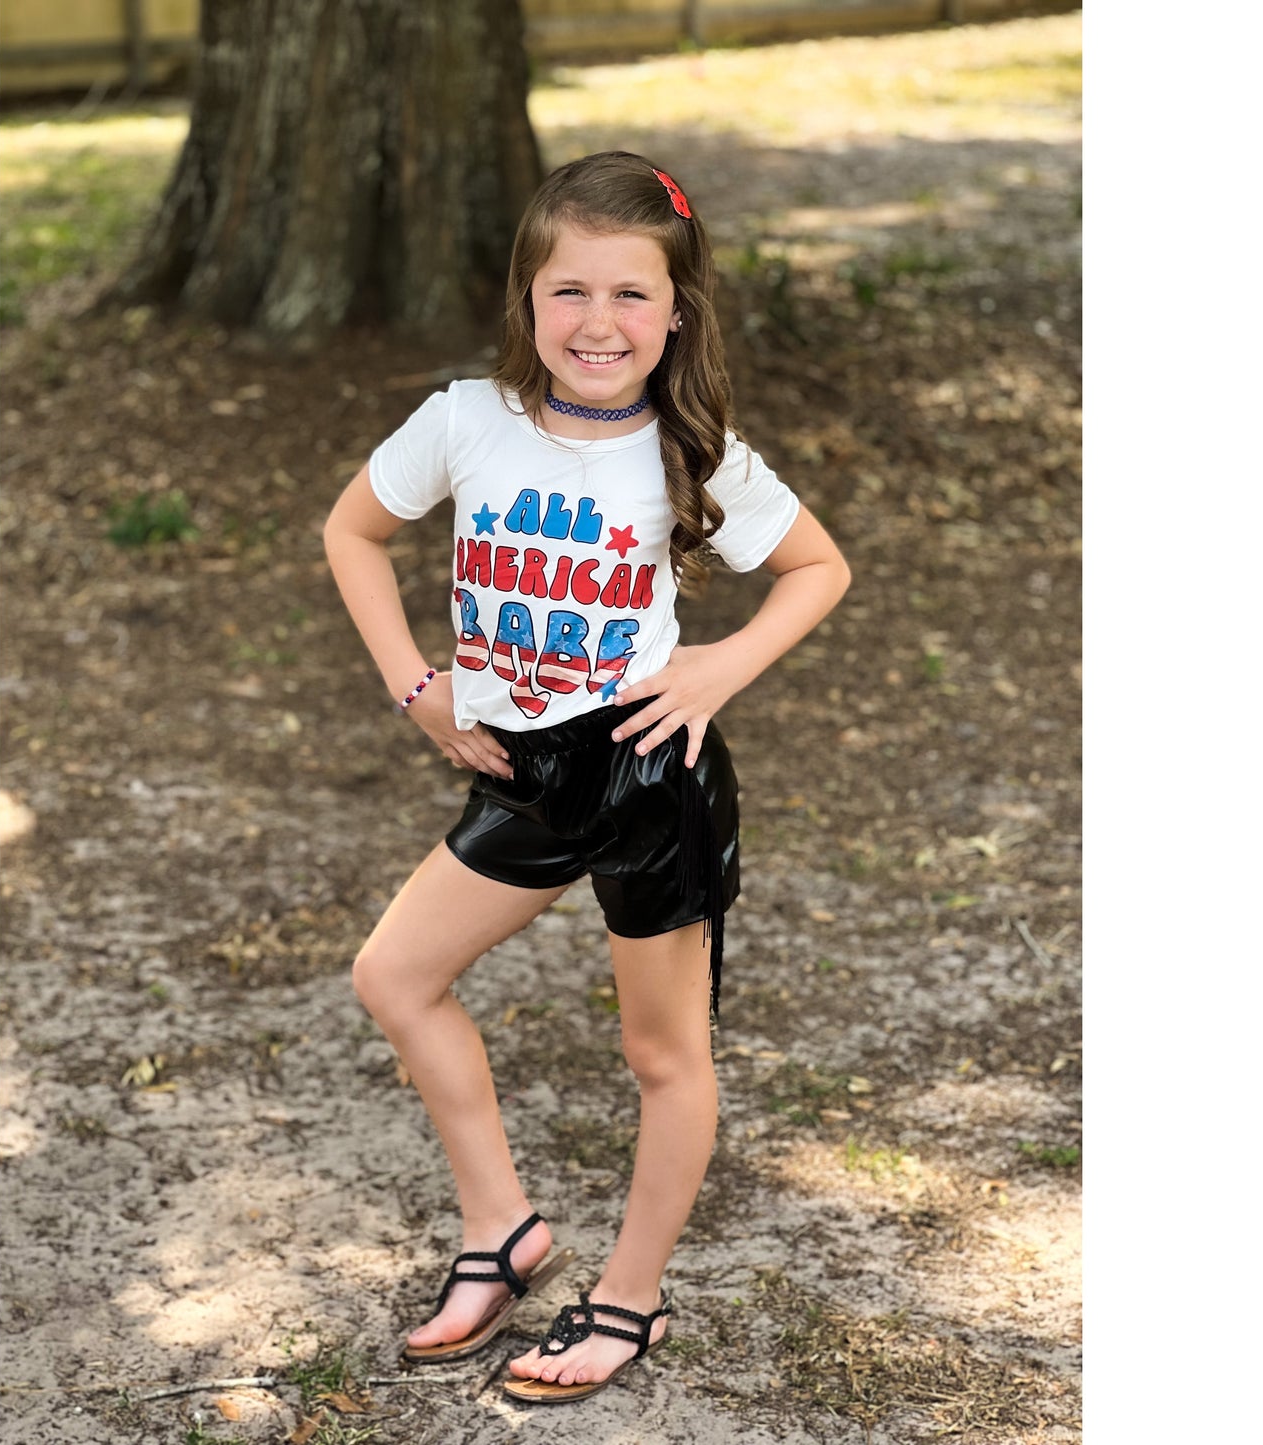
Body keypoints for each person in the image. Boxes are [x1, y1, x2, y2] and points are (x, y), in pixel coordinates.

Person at [323, 150, 850, 1405]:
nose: (597, 322)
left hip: (640, 773)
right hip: (515, 766)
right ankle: (501, 1226)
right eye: (568, 291)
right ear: (526, 299)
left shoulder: (694, 447)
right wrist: (414, 684)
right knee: (395, 974)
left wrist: (718, 667)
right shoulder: (465, 418)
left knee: (659, 1053)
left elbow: (819, 568)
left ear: (675, 312)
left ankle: (629, 1298)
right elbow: (350, 530)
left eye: (629, 294)